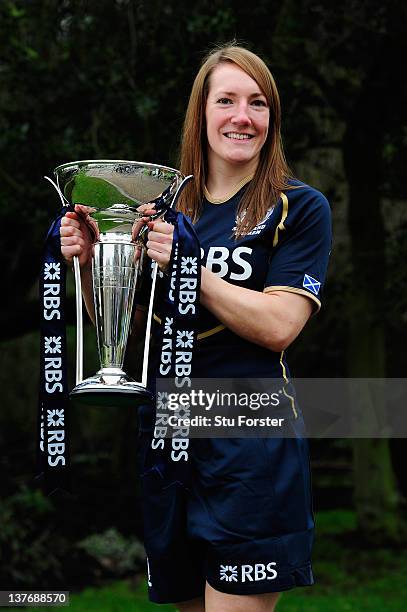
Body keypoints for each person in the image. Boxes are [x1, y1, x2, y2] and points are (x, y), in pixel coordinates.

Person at [60, 44, 331, 612]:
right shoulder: (159, 210)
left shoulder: (299, 208)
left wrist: (190, 266)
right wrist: (90, 268)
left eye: (257, 103)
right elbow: (130, 330)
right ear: (201, 113)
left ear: (271, 118)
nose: (242, 116)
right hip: (169, 440)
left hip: (249, 442)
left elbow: (280, 325)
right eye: (226, 100)